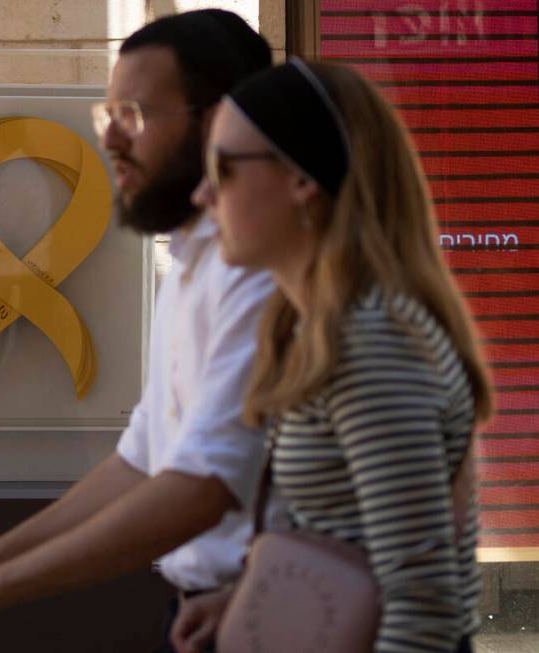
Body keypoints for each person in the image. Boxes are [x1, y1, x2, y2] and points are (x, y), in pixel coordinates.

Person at [0, 10, 275, 650]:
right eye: (108, 118)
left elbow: (201, 489)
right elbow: (141, 460)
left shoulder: (262, 277)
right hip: (209, 615)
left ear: (219, 121)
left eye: (134, 115)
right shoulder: (189, 266)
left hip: (279, 620)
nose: (110, 142)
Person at [178, 59, 492, 653]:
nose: (202, 194)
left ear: (302, 180)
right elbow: (352, 545)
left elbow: (423, 607)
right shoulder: (321, 327)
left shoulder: (370, 342)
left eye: (223, 167)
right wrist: (248, 600)